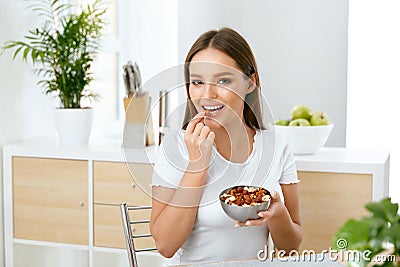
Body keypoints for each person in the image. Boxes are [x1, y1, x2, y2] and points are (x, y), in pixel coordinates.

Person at [150, 27, 303, 265]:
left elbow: (290, 246)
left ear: (249, 83)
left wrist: (278, 213)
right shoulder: (175, 146)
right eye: (197, 82)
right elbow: (165, 246)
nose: (207, 94)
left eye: (223, 80)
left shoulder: (277, 146)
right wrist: (197, 165)